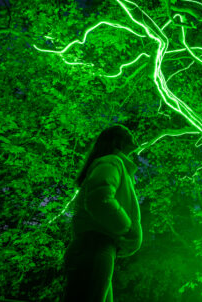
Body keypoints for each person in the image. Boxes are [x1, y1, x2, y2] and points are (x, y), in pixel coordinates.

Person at [63, 124, 142, 302]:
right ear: (118, 140)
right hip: (94, 246)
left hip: (96, 247)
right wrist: (126, 227)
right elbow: (99, 198)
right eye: (128, 133)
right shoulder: (112, 162)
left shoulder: (114, 164)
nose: (133, 134)